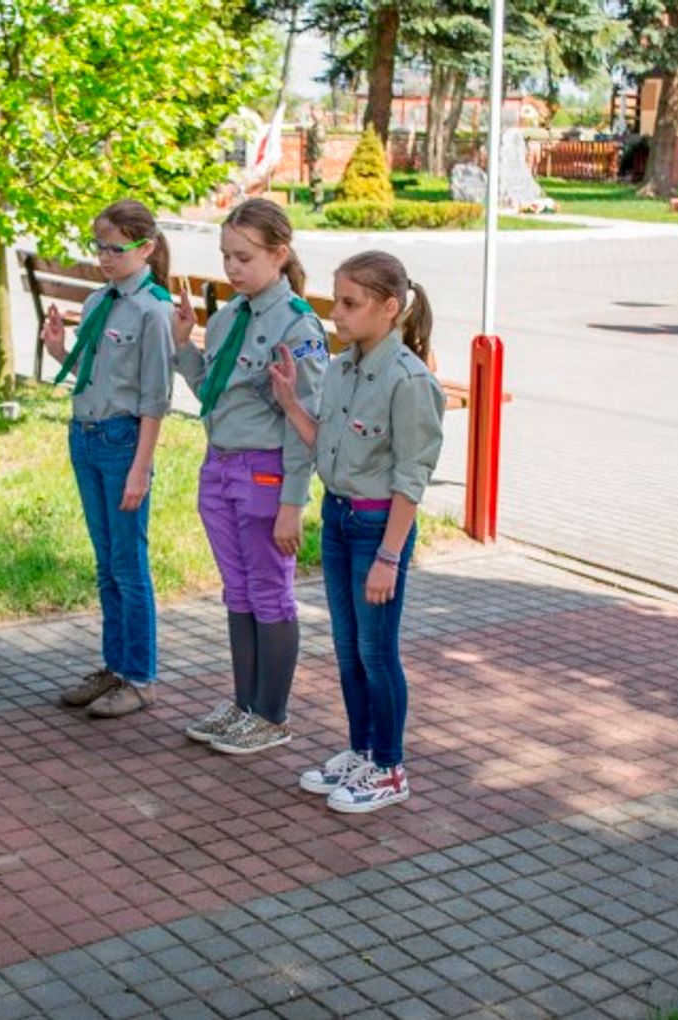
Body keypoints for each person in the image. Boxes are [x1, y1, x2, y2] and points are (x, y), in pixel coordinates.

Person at [269, 251, 444, 813]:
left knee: (376, 651)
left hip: (376, 529)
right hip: (339, 520)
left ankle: (389, 768)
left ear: (389, 307)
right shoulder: (342, 368)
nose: (336, 314)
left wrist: (390, 556)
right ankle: (361, 750)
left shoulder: (409, 381)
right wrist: (290, 402)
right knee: (348, 649)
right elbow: (325, 442)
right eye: (336, 301)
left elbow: (411, 478)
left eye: (350, 303)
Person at [172, 199, 327, 755]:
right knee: (237, 590)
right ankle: (244, 706)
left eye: (244, 257)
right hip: (220, 465)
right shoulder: (229, 316)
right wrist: (183, 344)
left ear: (279, 255)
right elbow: (212, 393)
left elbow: (303, 420)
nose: (232, 268)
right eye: (226, 256)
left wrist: (292, 503)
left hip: (265, 471)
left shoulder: (297, 325)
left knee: (269, 591)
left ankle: (271, 715)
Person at [44, 200, 175, 718]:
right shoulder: (101, 299)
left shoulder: (153, 310)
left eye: (115, 249)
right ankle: (115, 666)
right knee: (106, 564)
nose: (104, 257)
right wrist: (60, 351)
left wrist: (141, 467)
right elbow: (94, 376)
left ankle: (140, 678)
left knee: (129, 564)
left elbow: (155, 399)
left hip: (123, 442)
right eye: (98, 247)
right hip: (86, 435)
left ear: (146, 248)